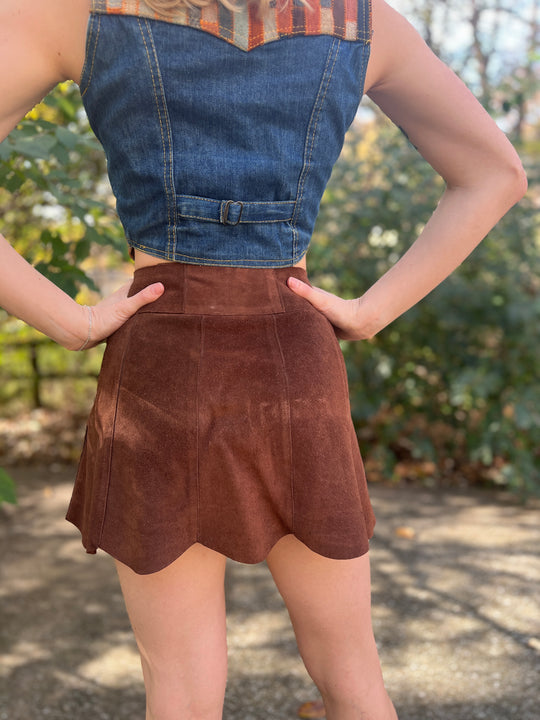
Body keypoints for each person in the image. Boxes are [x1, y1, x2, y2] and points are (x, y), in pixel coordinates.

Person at [0, 0, 526, 718]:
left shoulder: (76, 10)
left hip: (160, 363)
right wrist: (371, 312)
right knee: (352, 678)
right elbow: (496, 174)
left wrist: (66, 319)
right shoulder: (358, 20)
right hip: (294, 360)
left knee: (181, 692)